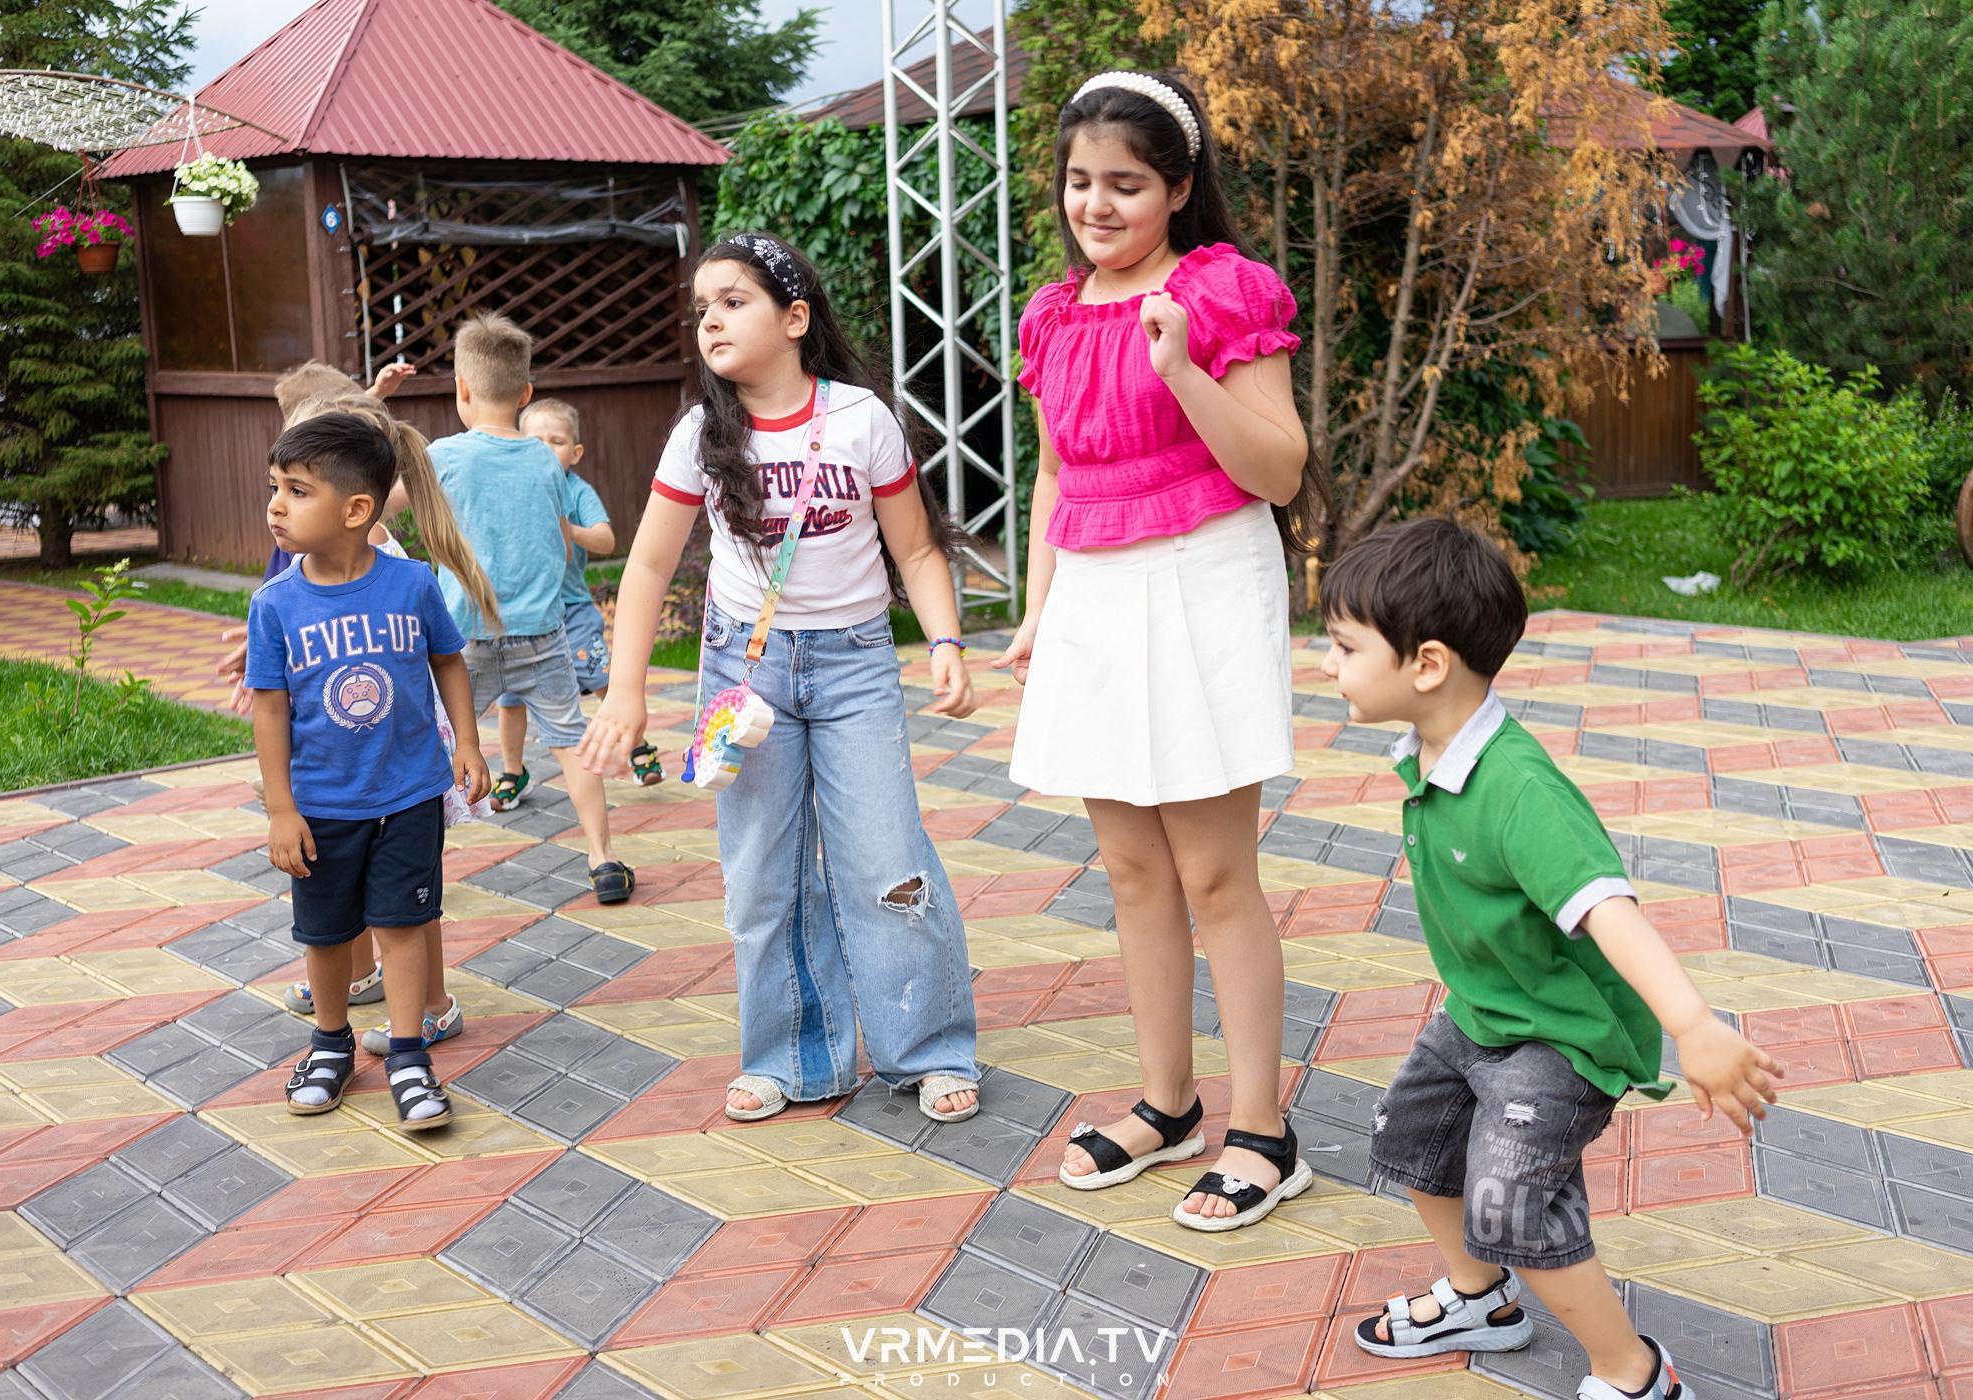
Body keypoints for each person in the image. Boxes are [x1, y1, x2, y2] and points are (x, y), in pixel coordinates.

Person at [1320, 519, 1785, 1400]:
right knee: (1407, 1139)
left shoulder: (1519, 788)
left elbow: (1609, 910)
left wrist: (1691, 1025)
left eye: (1344, 647)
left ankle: (1635, 1374)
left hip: (1564, 1036)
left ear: (1426, 664)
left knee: (1511, 1206)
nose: (1327, 666)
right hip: (1483, 1013)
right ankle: (1481, 1301)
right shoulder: (1429, 751)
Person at [1001, 71, 1329, 1230]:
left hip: (1201, 581)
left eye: (1126, 184)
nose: (1097, 203)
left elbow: (1279, 469)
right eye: (1081, 181)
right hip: (1093, 588)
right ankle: (1167, 1102)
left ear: (1179, 189)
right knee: (1133, 872)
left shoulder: (1224, 293)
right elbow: (1052, 472)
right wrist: (1037, 609)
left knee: (1215, 874)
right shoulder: (1050, 313)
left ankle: (1264, 1130)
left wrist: (1183, 365)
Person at [577, 232, 982, 1125]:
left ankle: (927, 1048)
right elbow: (646, 568)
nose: (711, 319)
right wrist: (628, 691)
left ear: (795, 319)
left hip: (855, 667)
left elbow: (913, 545)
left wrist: (946, 639)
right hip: (744, 673)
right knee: (762, 874)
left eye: (733, 300)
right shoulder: (698, 433)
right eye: (702, 308)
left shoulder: (862, 419)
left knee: (886, 860)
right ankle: (795, 1057)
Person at [246, 412, 489, 1131]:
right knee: (324, 934)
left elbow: (447, 659)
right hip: (321, 803)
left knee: (404, 924)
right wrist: (281, 808)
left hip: (409, 793)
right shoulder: (275, 604)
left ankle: (410, 1054)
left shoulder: (412, 585)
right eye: (274, 488)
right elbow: (268, 710)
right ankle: (330, 1045)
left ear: (356, 510)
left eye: (296, 490)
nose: (275, 506)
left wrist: (468, 745)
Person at [430, 313, 632, 903]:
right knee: (573, 743)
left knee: (436, 748)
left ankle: (418, 870)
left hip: (464, 637)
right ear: (525, 394)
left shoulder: (443, 455)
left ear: (462, 390)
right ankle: (603, 857)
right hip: (543, 634)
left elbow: (388, 505)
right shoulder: (548, 461)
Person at [491, 399, 660, 805]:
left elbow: (606, 540)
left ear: (575, 452)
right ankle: (513, 771)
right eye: (536, 440)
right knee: (510, 697)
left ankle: (637, 744)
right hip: (519, 616)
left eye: (557, 440)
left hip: (572, 612)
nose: (546, 448)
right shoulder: (509, 486)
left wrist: (570, 531)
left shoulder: (576, 491)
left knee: (603, 679)